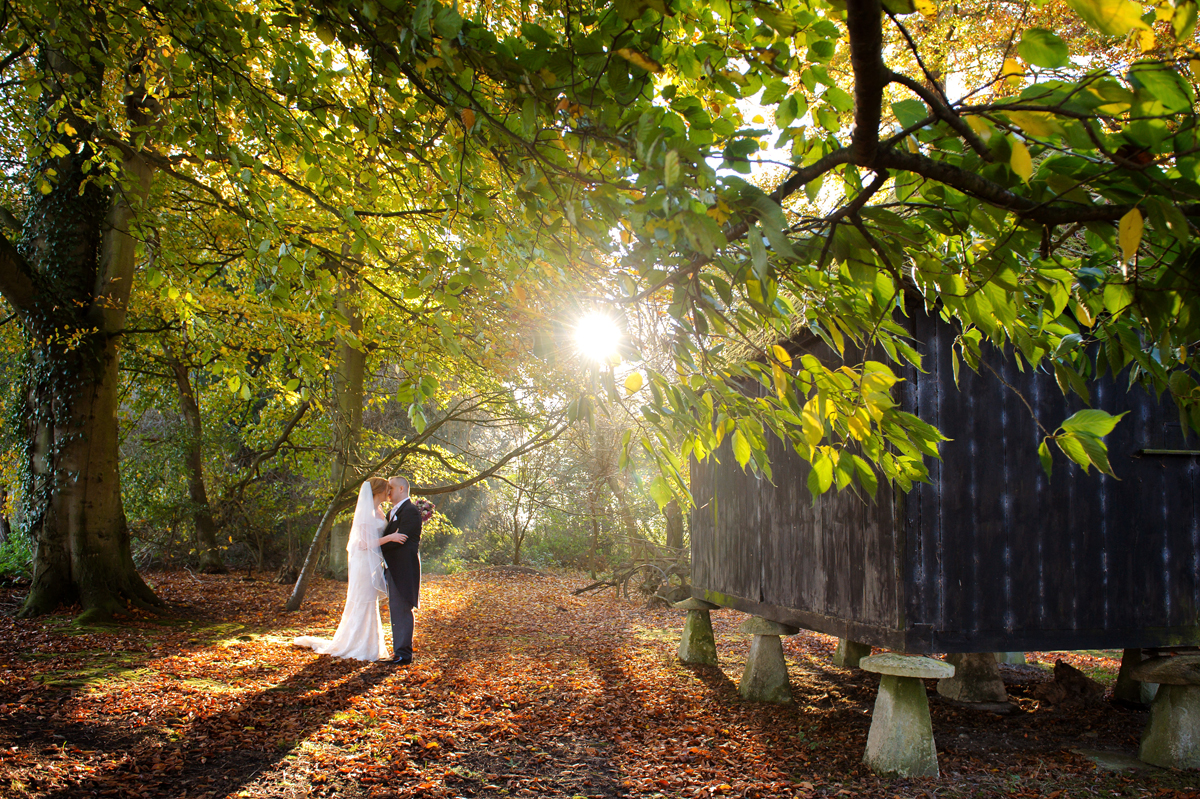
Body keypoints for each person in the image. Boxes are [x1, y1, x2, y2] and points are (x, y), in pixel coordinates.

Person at [293, 478, 395, 661]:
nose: (389, 493)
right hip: (363, 562)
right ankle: (358, 645)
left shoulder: (380, 510)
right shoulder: (366, 512)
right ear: (378, 491)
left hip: (372, 562)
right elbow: (364, 544)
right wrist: (391, 538)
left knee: (370, 602)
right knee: (363, 599)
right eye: (387, 489)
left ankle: (371, 645)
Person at [378, 475, 422, 665]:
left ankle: (403, 654)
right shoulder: (392, 513)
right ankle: (399, 652)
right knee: (396, 610)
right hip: (392, 568)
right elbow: (392, 538)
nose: (388, 492)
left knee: (402, 609)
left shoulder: (410, 511)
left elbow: (401, 539)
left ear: (402, 489)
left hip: (404, 569)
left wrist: (376, 546)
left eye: (391, 488)